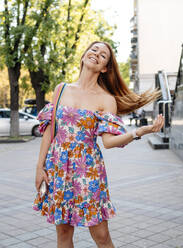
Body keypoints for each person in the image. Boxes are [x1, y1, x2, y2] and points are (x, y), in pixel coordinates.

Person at [33, 41, 164, 248]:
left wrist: (138, 132)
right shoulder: (61, 89)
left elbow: (109, 142)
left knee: (101, 235)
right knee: (64, 232)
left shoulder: (106, 99)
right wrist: (39, 167)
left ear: (104, 68)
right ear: (84, 55)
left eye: (103, 55)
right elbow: (50, 131)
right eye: (94, 49)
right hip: (58, 167)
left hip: (88, 171)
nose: (96, 54)